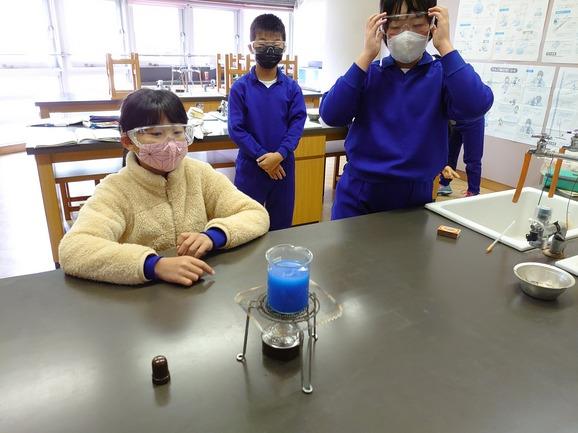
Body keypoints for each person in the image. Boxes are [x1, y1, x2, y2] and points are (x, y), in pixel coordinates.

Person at [59, 88, 270, 286]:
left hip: (200, 286)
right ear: (128, 141)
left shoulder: (200, 173)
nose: (170, 144)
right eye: (156, 134)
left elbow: (255, 214)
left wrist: (213, 236)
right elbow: (74, 249)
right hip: (144, 298)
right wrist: (153, 265)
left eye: (178, 132)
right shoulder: (115, 190)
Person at [319, 0, 493, 219]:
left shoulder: (441, 74)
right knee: (347, 242)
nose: (406, 33)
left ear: (432, 25)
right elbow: (331, 114)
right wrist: (366, 55)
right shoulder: (369, 73)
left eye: (417, 24)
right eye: (396, 25)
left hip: (415, 195)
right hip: (359, 192)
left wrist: (445, 45)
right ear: (383, 28)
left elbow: (477, 105)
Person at [228, 14, 307, 230]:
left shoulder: (292, 88)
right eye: (262, 42)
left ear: (284, 47)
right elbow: (236, 129)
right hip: (251, 167)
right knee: (246, 225)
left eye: (276, 42)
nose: (270, 48)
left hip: (283, 166)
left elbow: (297, 125)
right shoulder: (240, 88)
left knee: (281, 225)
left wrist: (279, 155)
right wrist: (264, 158)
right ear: (251, 46)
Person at [437, 118, 485, 197]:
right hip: (455, 121)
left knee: (472, 160)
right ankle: (444, 183)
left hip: (473, 121)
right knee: (449, 153)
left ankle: (473, 191)